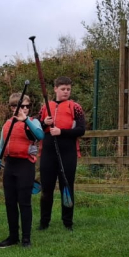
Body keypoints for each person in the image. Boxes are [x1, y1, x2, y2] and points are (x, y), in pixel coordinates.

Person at [0, 92, 43, 249]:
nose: (24, 109)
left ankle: (26, 239)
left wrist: (25, 119)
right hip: (10, 165)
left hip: (25, 166)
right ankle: (13, 236)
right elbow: (1, 145)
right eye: (20, 106)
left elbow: (40, 135)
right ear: (12, 107)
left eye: (26, 106)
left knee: (24, 203)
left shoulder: (33, 122)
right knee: (10, 203)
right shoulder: (7, 124)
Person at [39, 77, 87, 231]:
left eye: (68, 89)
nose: (66, 92)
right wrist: (43, 123)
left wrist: (61, 132)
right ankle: (44, 222)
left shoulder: (75, 107)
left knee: (67, 186)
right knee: (47, 189)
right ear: (55, 89)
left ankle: (68, 222)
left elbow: (81, 130)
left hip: (67, 152)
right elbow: (35, 129)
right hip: (48, 152)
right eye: (63, 89)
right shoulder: (45, 107)